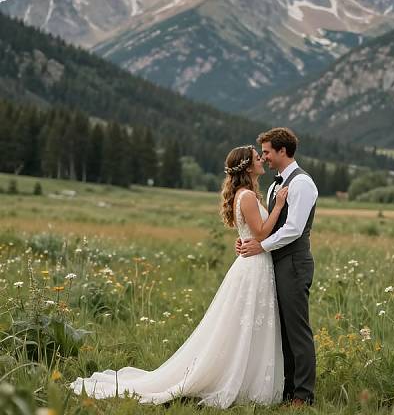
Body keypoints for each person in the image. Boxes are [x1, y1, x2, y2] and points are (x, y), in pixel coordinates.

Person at [68, 145, 288, 408]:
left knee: (248, 325)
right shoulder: (248, 197)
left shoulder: (248, 194)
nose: (262, 159)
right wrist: (280, 206)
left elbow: (250, 234)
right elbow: (261, 233)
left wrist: (246, 238)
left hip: (255, 263)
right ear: (248, 167)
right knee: (242, 325)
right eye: (257, 158)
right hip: (253, 267)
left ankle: (246, 379)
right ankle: (233, 380)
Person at [237, 127, 318, 406]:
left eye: (268, 152)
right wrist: (247, 241)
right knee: (281, 330)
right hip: (275, 263)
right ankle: (286, 389)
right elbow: (263, 227)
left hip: (294, 263)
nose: (264, 157)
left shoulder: (302, 183)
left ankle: (303, 395)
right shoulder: (273, 186)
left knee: (297, 330)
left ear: (283, 151)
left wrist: (262, 246)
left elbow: (294, 228)